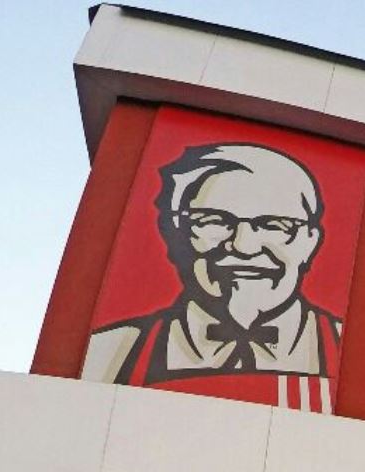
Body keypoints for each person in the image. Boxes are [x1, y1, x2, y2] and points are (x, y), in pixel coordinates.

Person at [83, 142, 344, 393]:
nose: (244, 246)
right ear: (174, 234)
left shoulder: (347, 349)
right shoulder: (110, 353)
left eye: (275, 225)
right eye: (214, 221)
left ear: (311, 241)